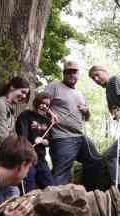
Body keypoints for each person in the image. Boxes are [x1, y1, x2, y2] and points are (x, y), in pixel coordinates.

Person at [44, 60, 101, 189]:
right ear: (63, 74)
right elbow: (40, 105)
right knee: (61, 174)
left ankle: (87, 193)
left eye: (74, 72)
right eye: (68, 72)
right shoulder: (54, 86)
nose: (71, 75)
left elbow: (86, 118)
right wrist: (50, 114)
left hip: (80, 137)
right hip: (62, 137)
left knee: (95, 160)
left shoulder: (80, 94)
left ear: (78, 74)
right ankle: (52, 204)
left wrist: (86, 111)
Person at [16, 92, 58, 192]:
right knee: (27, 188)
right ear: (36, 102)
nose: (44, 106)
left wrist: (44, 141)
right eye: (42, 103)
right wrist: (33, 140)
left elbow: (50, 141)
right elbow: (22, 136)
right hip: (28, 158)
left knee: (51, 188)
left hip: (41, 159)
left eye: (47, 105)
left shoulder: (47, 121)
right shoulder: (26, 115)